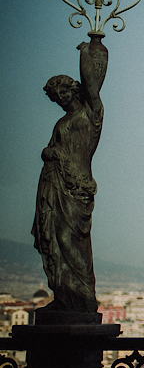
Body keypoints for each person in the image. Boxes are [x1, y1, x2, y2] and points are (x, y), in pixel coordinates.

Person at [32, 35, 108, 314]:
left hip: (76, 188)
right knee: (53, 242)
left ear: (73, 89)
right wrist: (49, 153)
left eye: (63, 92)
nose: (60, 99)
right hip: (54, 185)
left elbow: (92, 86)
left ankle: (81, 300)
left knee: (70, 242)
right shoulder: (61, 122)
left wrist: (86, 52)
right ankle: (64, 298)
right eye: (55, 97)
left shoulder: (91, 114)